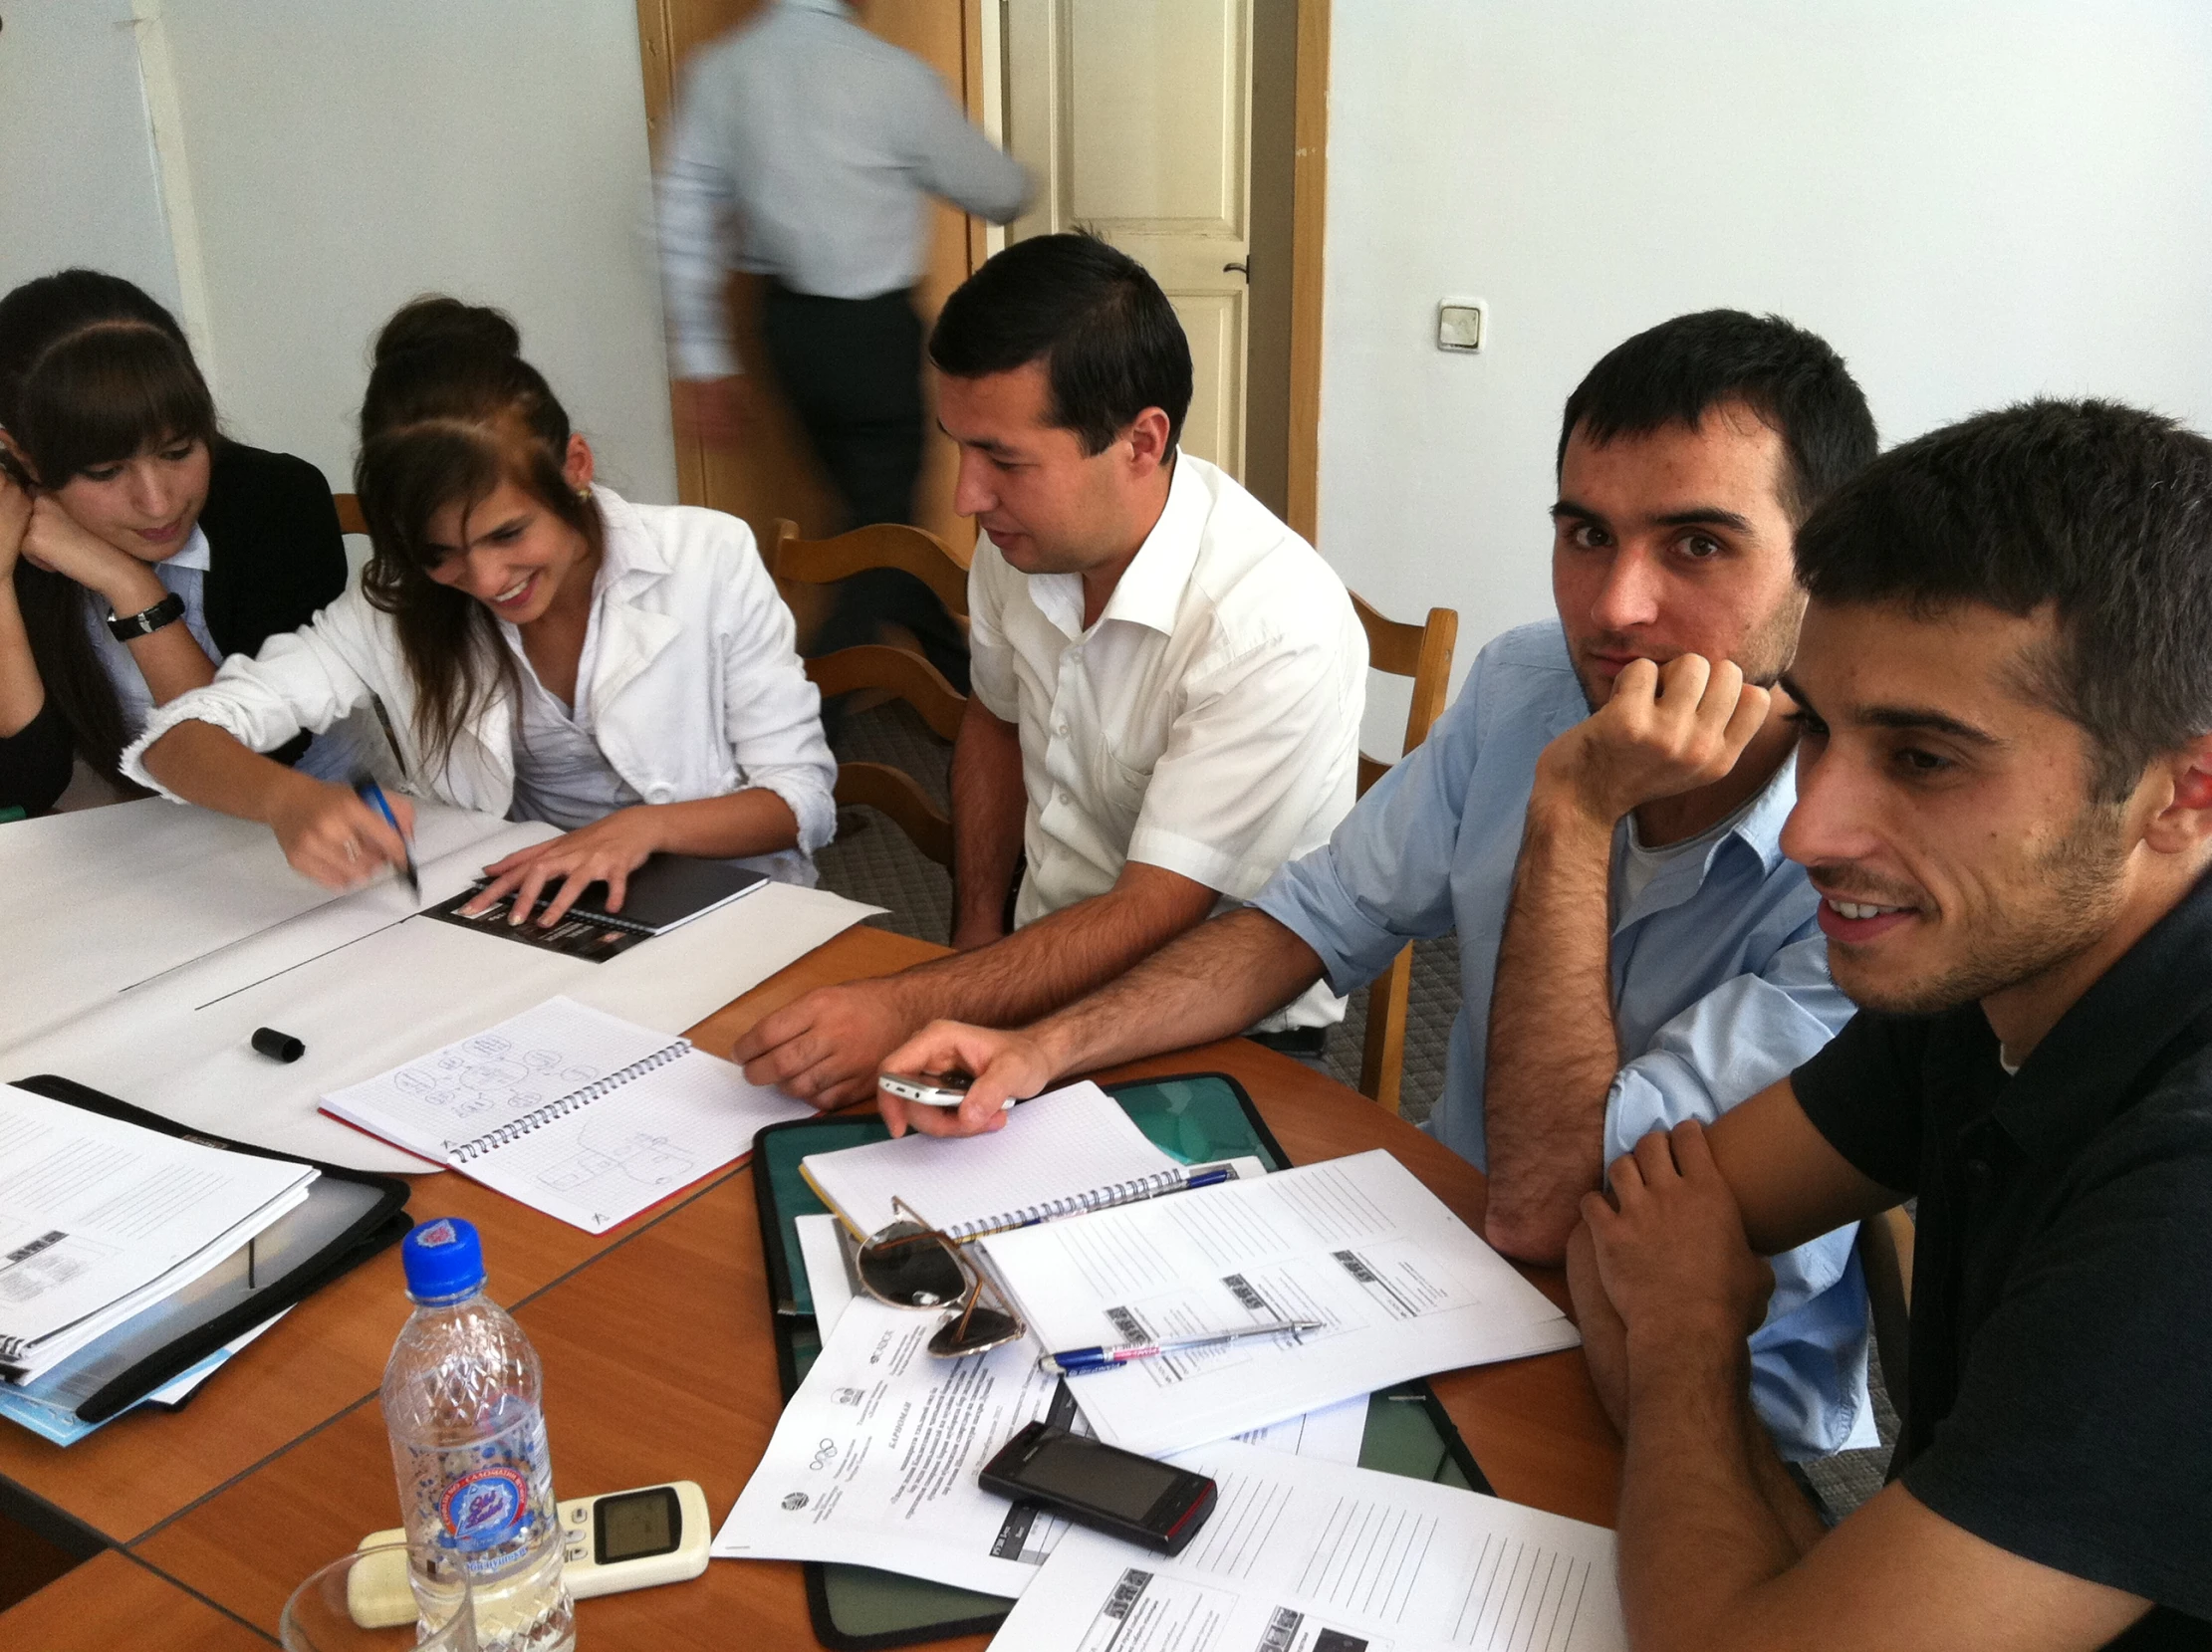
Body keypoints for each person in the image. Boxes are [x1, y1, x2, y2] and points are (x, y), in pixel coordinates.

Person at [881, 310, 1883, 1465]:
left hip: (1697, 1399)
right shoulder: (1526, 684)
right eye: (1585, 535)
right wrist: (1046, 1046)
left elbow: (1551, 1211)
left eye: (1698, 546)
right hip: (1439, 1270)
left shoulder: (1869, 860)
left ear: (1825, 564)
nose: (1614, 609)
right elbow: (1303, 923)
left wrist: (1570, 817)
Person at [1565, 398, 2212, 1649]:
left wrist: (1695, 1334)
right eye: (1817, 728)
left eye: (1923, 758)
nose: (1809, 832)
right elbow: (1626, 1233)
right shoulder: (1988, 967)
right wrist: (1796, 1581)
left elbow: (1668, 1282)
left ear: (2181, 796)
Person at [732, 233, 1366, 1107]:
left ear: (1141, 442)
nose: (966, 497)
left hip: (1219, 1021)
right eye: (959, 446)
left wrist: (919, 1000)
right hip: (1028, 973)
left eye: (1003, 458)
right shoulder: (1024, 545)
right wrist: (972, 940)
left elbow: (1157, 908)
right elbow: (993, 719)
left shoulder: (1272, 623)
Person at [125, 298, 836, 922]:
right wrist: (285, 800)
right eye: (442, 553)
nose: (488, 579)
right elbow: (177, 738)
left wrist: (641, 830)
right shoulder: (398, 609)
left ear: (575, 467)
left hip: (736, 904)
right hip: (540, 916)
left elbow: (802, 799)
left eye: (508, 533)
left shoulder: (706, 556)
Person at [655, 0, 1032, 689]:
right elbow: (998, 192)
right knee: (880, 539)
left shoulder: (721, 72)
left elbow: (682, 216)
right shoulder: (890, 77)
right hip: (872, 338)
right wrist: (1017, 176)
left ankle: (962, 684)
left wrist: (705, 362)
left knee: (877, 526)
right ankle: (806, 729)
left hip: (788, 335)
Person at [0, 269, 351, 817]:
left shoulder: (277, 501)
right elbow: (25, 784)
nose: (159, 503)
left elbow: (259, 753)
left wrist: (130, 585)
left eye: (179, 451)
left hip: (312, 804)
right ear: (23, 455)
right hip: (126, 836)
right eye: (105, 471)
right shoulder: (13, 529)